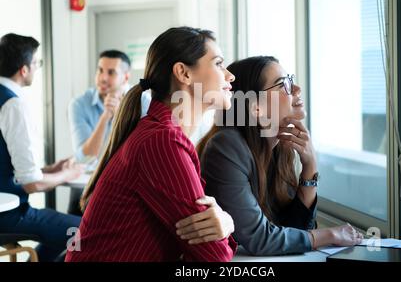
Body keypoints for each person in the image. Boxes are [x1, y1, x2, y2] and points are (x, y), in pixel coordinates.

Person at [65, 27, 237, 262]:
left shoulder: (162, 134)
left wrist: (224, 224)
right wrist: (227, 225)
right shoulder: (162, 141)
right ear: (183, 73)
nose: (230, 75)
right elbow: (215, 257)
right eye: (218, 64)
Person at [185, 56, 364, 255]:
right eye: (283, 84)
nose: (296, 89)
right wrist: (330, 235)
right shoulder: (226, 146)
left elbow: (296, 231)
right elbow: (260, 239)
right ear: (256, 107)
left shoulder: (279, 146)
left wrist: (310, 168)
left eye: (290, 79)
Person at [0, 33, 83, 261]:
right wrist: (68, 173)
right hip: (9, 215)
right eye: (37, 63)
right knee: (85, 231)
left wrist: (50, 170)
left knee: (62, 233)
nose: (38, 68)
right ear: (24, 69)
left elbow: (8, 168)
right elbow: (32, 184)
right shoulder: (13, 105)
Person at [68, 50, 143, 215]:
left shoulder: (143, 102)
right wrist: (106, 116)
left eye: (111, 72)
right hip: (87, 185)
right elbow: (85, 157)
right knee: (73, 232)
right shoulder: (79, 104)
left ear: (125, 77)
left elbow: (141, 153)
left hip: (127, 187)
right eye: (100, 70)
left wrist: (120, 117)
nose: (103, 77)